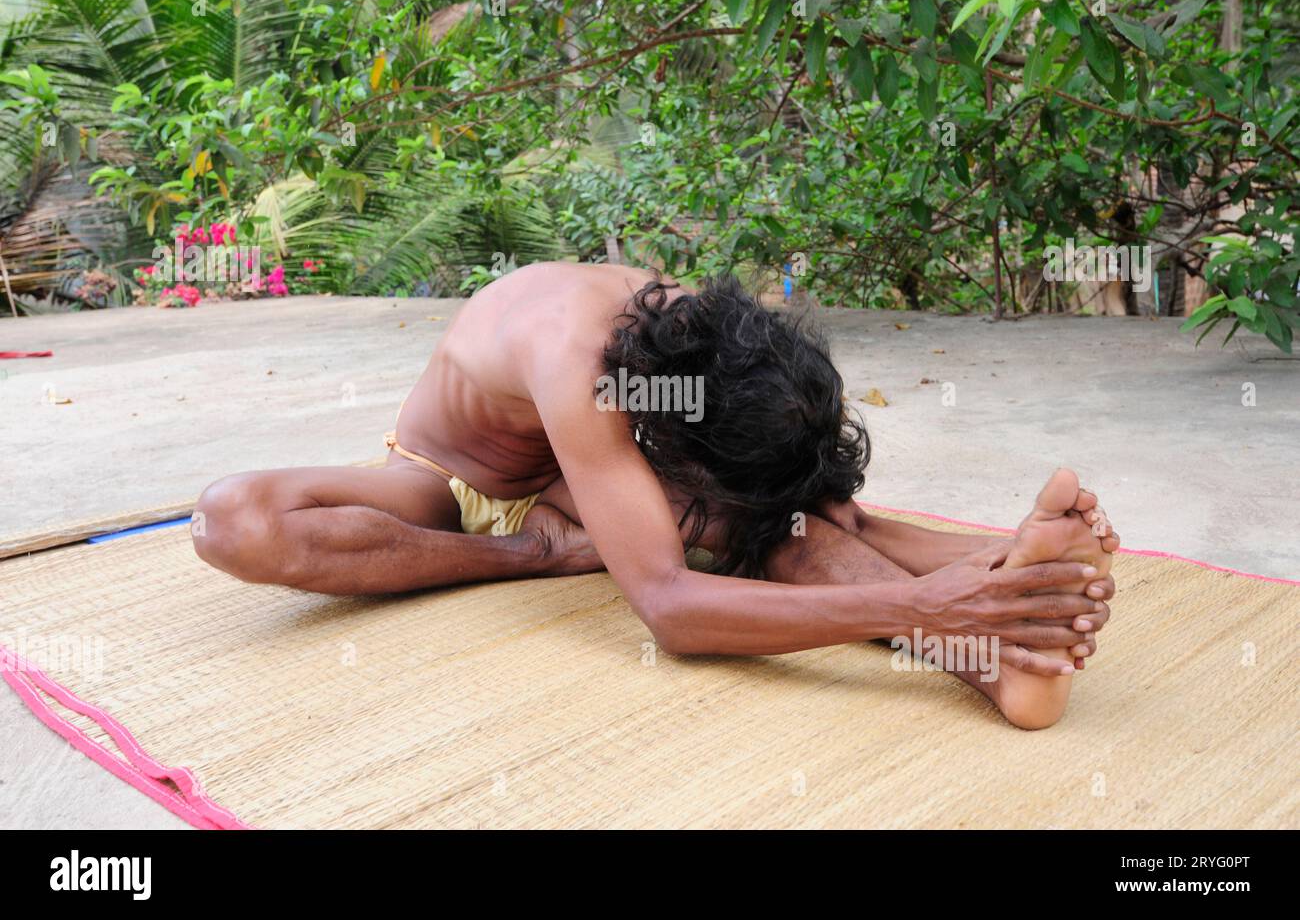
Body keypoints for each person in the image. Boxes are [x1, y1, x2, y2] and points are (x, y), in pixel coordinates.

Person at [193, 263, 1118, 729]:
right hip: (454, 483)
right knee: (235, 520)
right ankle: (525, 556)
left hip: (596, 470)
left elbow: (812, 499)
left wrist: (1001, 564)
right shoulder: (579, 360)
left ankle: (1002, 640)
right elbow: (671, 611)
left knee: (792, 520)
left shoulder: (708, 336)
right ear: (676, 438)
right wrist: (913, 598)